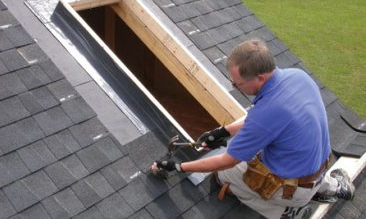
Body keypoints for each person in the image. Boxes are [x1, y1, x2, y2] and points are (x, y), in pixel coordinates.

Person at [151, 39, 355, 219]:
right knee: (258, 149)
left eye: (237, 83)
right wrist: (223, 132)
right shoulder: (296, 76)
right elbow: (262, 122)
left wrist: (179, 167)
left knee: (224, 176)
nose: (234, 86)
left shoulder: (266, 114)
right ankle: (332, 186)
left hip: (293, 188)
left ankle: (283, 212)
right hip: (318, 166)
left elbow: (227, 160)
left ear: (260, 78)